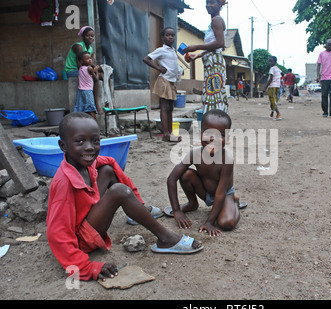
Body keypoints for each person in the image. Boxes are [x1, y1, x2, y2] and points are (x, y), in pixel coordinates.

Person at [46, 112, 203, 281]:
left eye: (95, 140)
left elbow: (108, 163)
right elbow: (56, 234)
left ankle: (137, 212)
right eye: (80, 141)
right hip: (81, 240)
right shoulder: (63, 183)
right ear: (63, 146)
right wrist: (87, 267)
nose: (90, 147)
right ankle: (166, 238)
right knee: (119, 190)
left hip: (87, 217)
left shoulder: (83, 162)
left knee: (107, 169)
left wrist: (137, 200)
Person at [166, 109, 241, 237]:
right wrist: (176, 210)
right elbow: (172, 179)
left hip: (224, 195)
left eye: (221, 134)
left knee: (226, 223)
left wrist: (209, 222)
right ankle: (192, 203)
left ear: (227, 138)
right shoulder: (194, 154)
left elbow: (220, 194)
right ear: (200, 133)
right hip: (205, 192)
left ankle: (234, 204)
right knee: (186, 174)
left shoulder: (226, 160)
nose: (213, 139)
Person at [183, 0, 229, 113]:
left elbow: (220, 43)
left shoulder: (216, 20)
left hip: (214, 63)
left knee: (214, 94)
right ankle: (215, 122)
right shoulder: (214, 21)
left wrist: (196, 47)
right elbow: (214, 47)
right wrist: (198, 55)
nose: (208, 6)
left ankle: (216, 122)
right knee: (213, 93)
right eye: (207, 3)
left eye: (212, 3)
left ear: (220, 4)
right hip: (212, 61)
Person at [143, 27, 183, 142]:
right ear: (162, 37)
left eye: (172, 35)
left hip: (172, 81)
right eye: (167, 35)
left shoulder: (173, 51)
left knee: (170, 107)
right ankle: (166, 134)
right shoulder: (161, 50)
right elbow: (146, 59)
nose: (170, 37)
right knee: (164, 107)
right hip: (164, 80)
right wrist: (159, 68)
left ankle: (170, 133)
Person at [64, 26, 103, 114]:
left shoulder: (90, 49)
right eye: (87, 35)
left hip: (83, 69)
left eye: (92, 36)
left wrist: (97, 68)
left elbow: (89, 63)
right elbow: (80, 66)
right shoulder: (78, 46)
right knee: (96, 78)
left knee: (103, 75)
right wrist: (93, 71)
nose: (90, 37)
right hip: (73, 70)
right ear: (83, 36)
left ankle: (108, 103)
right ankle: (96, 104)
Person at [317, 39, 331, 118]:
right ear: (325, 45)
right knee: (324, 95)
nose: (330, 46)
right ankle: (325, 112)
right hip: (324, 77)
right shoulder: (321, 54)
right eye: (328, 45)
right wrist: (318, 76)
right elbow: (318, 65)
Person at [73, 52, 99, 120]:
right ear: (81, 61)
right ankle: (95, 127)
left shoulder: (80, 68)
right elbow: (96, 79)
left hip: (80, 92)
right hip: (88, 92)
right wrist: (96, 71)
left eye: (90, 58)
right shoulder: (89, 69)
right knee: (91, 111)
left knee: (82, 111)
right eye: (87, 59)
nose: (90, 60)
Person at [264, 56, 282, 120]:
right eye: (269, 61)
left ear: (275, 62)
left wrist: (265, 87)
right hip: (277, 86)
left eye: (271, 61)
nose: (269, 62)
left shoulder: (272, 69)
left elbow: (270, 79)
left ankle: (278, 113)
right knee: (274, 100)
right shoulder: (277, 68)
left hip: (272, 86)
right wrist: (279, 80)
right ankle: (273, 111)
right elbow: (282, 73)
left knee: (272, 100)